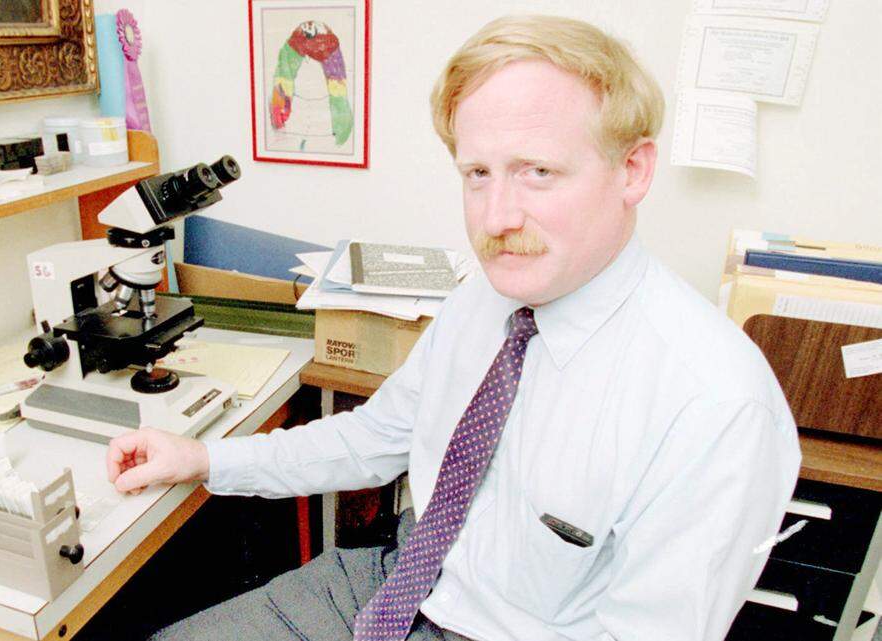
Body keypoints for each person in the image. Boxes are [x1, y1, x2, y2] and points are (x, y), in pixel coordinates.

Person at [106, 14, 800, 641]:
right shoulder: (485, 300)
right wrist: (206, 460)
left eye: (538, 171)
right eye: (477, 173)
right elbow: (374, 439)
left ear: (633, 170)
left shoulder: (716, 403)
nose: (496, 217)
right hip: (390, 580)